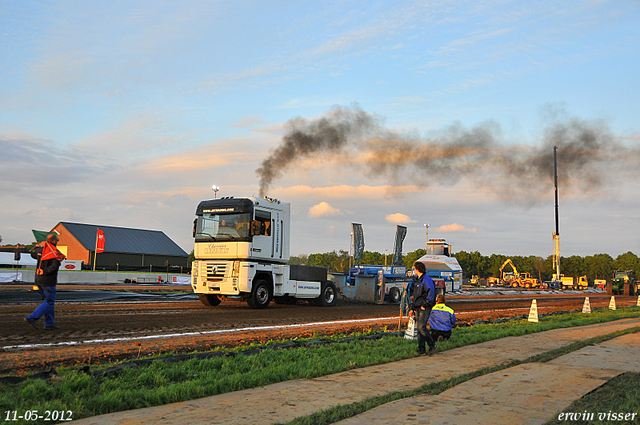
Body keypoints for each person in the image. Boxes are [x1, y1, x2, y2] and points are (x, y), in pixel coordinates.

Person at [25, 233, 66, 331]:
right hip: (48, 281)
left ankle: (49, 323)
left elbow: (32, 253)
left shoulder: (40, 251)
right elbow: (54, 266)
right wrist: (46, 271)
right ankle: (32, 318)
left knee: (47, 302)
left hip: (38, 280)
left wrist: (36, 246)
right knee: (49, 302)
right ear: (55, 241)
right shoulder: (55, 253)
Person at [408, 261, 437, 356]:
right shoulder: (417, 280)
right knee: (419, 329)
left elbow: (431, 293)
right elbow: (415, 296)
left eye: (414, 268)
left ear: (417, 269)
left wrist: (425, 305)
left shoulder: (427, 280)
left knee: (421, 327)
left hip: (424, 307)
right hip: (417, 307)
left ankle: (432, 345)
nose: (413, 270)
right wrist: (412, 308)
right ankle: (421, 349)